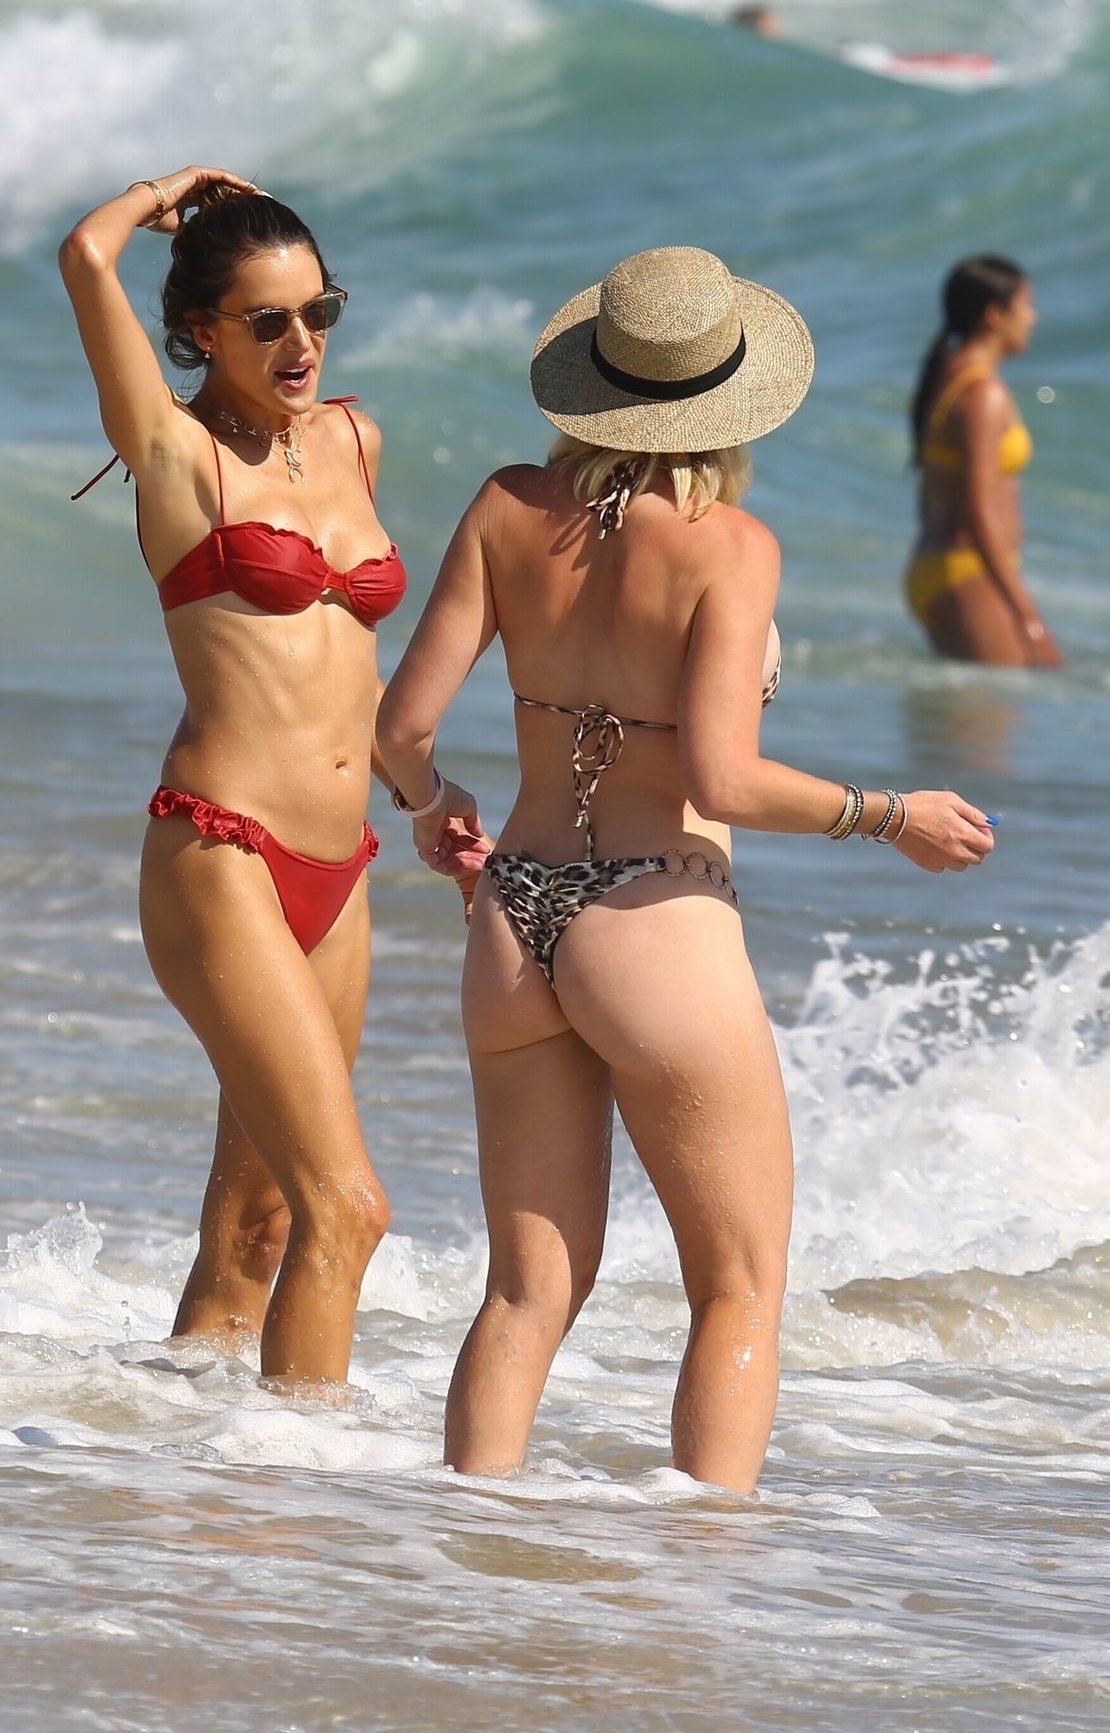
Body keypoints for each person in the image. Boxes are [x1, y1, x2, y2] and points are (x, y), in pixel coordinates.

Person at [377, 246, 995, 1492]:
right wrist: (889, 814)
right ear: (730, 400)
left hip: (513, 916)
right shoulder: (730, 548)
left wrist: (435, 809)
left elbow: (398, 730)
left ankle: (456, 1564)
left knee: (524, 1293)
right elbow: (722, 777)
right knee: (738, 1287)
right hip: (653, 921)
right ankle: (703, 1580)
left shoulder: (504, 506)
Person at [60, 166, 478, 1389]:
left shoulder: (353, 438)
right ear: (200, 330)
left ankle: (205, 1483)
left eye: (319, 312)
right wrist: (167, 190)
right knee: (350, 1206)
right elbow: (86, 259)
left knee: (268, 1226)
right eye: (266, 322)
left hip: (338, 873)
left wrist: (426, 797)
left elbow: (347, 675)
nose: (302, 344)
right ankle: (307, 1480)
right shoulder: (174, 454)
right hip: (222, 851)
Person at [905, 255, 1062, 667]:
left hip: (937, 567)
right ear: (995, 315)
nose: (1033, 317)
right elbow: (978, 509)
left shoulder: (946, 378)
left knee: (964, 708)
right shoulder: (983, 394)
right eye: (1026, 305)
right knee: (997, 707)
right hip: (970, 572)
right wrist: (1027, 614)